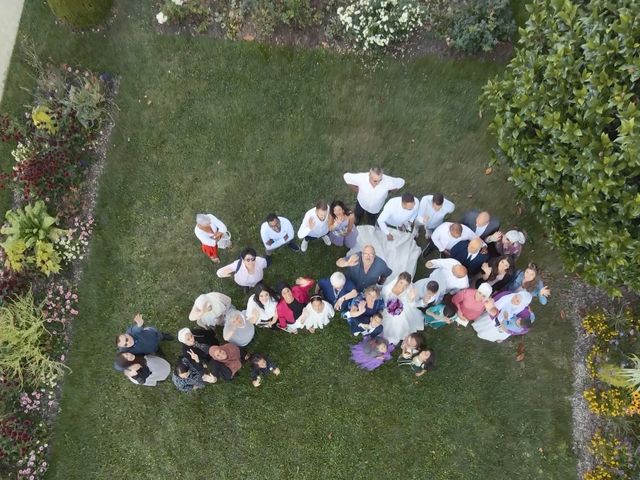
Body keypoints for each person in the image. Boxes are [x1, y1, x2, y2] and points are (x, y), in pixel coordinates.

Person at [380, 272, 424, 345]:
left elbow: (411, 304)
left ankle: (399, 333)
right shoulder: (387, 289)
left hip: (403, 307)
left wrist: (411, 299)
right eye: (401, 283)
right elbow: (382, 300)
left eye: (406, 285)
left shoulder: (409, 290)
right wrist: (390, 307)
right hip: (387, 308)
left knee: (402, 319)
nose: (403, 287)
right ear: (397, 280)